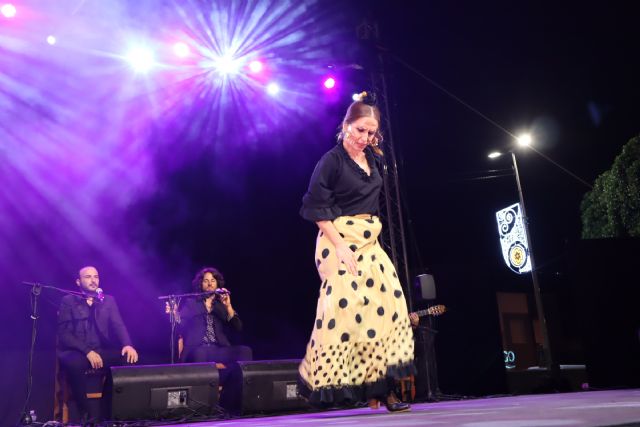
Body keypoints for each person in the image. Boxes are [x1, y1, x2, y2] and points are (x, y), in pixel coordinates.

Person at [298, 92, 414, 412]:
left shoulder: (374, 160)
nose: (365, 137)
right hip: (338, 239)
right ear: (346, 125)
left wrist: (368, 238)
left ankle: (384, 389)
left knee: (386, 309)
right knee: (347, 315)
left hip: (369, 240)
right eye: (360, 130)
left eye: (371, 132)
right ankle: (339, 385)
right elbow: (316, 208)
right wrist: (340, 247)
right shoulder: (331, 161)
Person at [57, 266, 139, 422]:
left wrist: (127, 344)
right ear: (78, 282)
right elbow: (64, 334)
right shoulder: (68, 301)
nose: (93, 280)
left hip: (99, 350)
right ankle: (87, 416)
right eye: (88, 277)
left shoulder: (107, 300)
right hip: (76, 351)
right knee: (74, 364)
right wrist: (87, 351)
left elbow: (118, 325)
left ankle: (107, 410)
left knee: (126, 359)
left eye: (96, 276)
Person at [178, 267, 252, 415]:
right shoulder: (192, 302)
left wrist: (229, 306)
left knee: (245, 351)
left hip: (218, 349)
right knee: (200, 354)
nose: (210, 284)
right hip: (198, 349)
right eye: (206, 281)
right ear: (201, 284)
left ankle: (235, 399)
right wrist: (173, 314)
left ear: (218, 284)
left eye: (213, 281)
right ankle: (202, 405)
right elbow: (180, 322)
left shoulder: (221, 304)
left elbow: (238, 327)